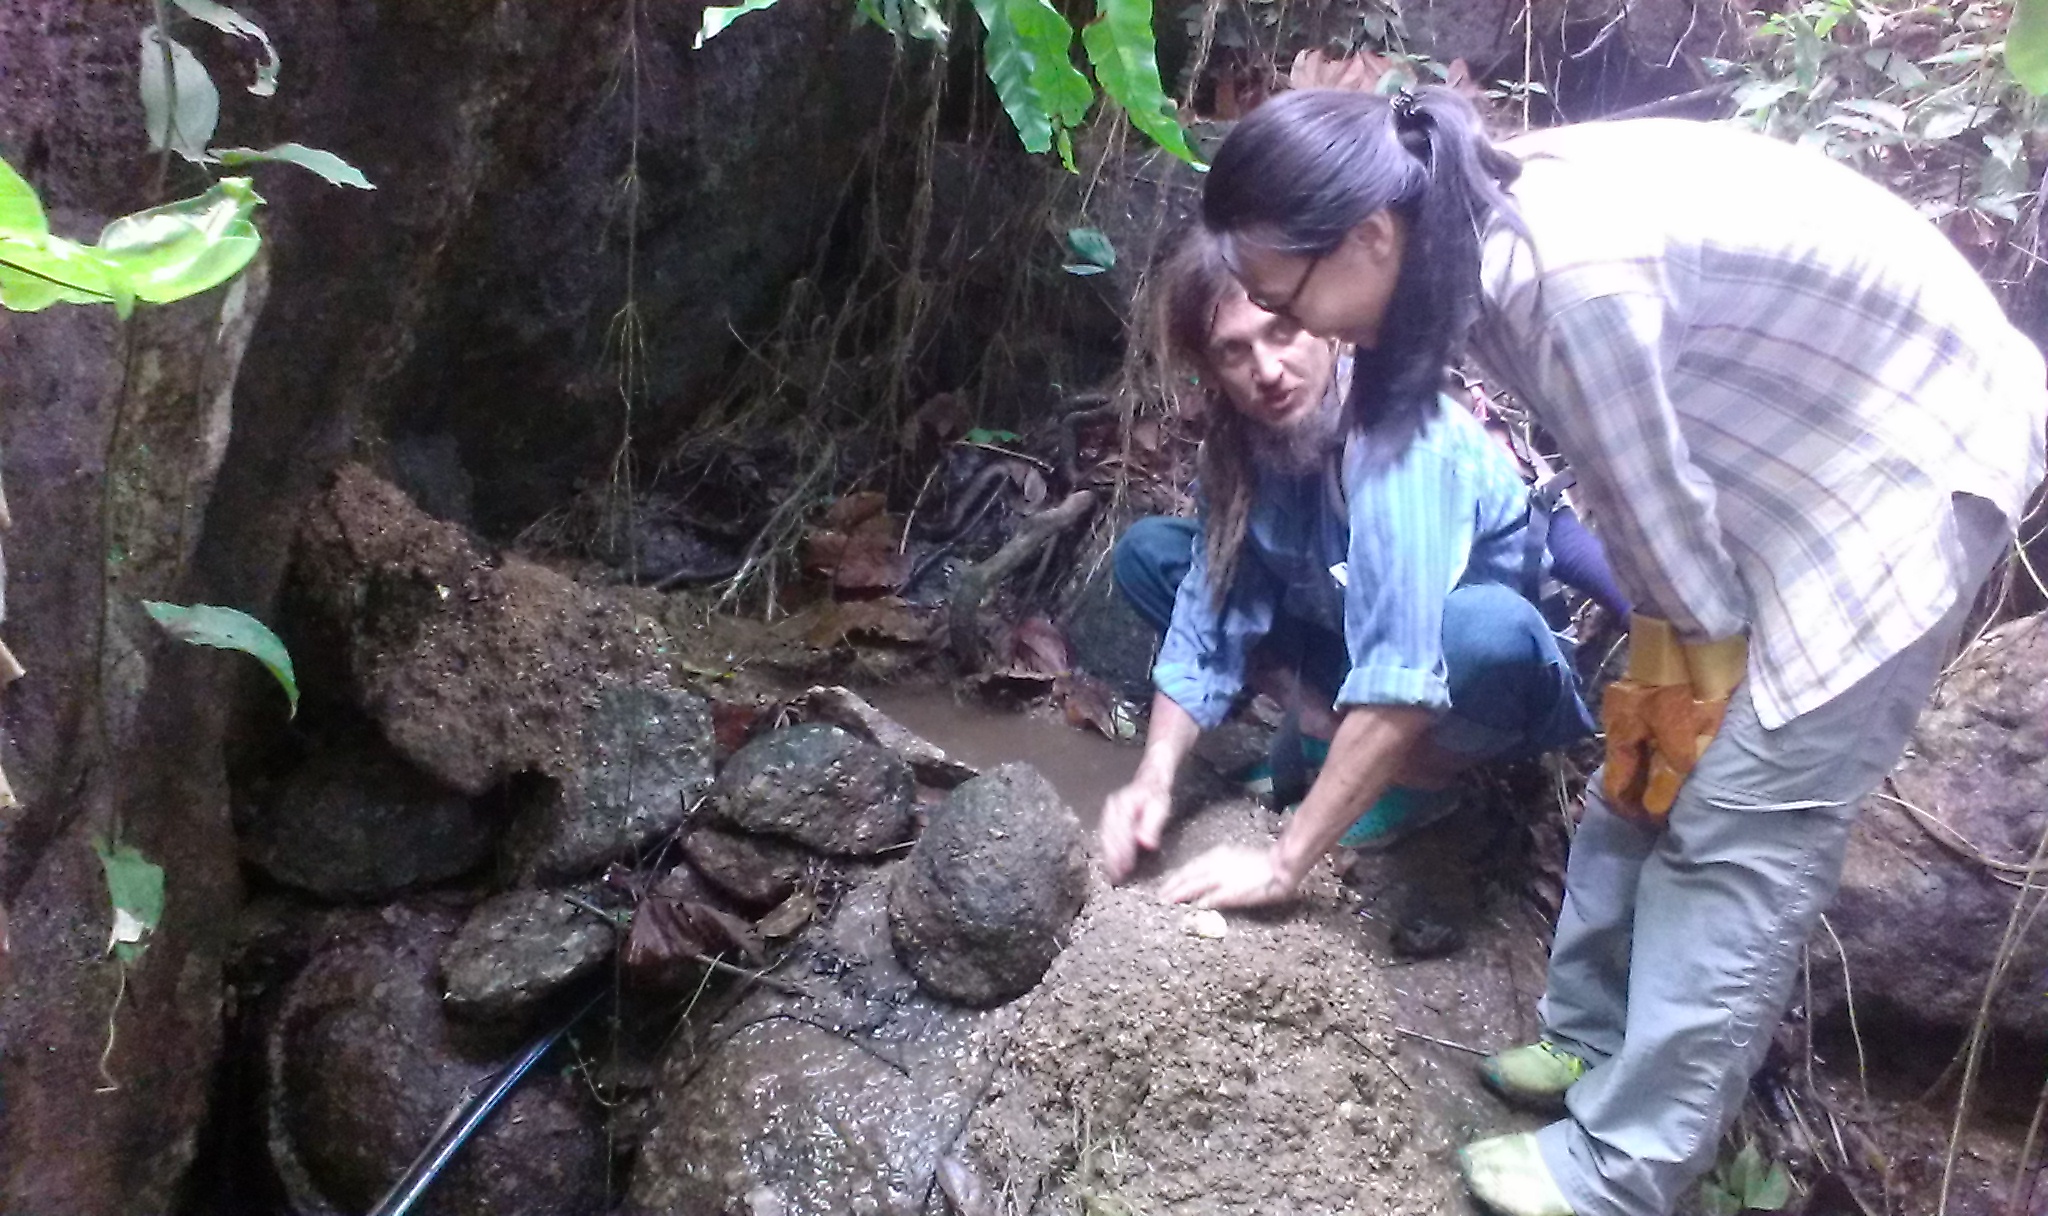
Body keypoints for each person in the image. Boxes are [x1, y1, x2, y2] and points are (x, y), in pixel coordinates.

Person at [1195, 88, 2048, 1216]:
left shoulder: (1563, 279)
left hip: (1895, 476)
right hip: (1768, 465)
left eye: (1283, 301)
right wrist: (1674, 670)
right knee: (1640, 773)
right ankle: (1587, 1040)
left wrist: (1701, 659)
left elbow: (1658, 519)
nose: (1293, 333)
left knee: (1732, 833)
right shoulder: (1454, 231)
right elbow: (1632, 485)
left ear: (1365, 237)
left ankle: (1621, 1169)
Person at [1097, 231, 1599, 905]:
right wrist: (1153, 778)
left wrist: (1281, 864)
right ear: (1211, 370)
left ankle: (1426, 778)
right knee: (1152, 554)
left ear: (1326, 326)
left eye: (1281, 332)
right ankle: (1325, 729)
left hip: (1475, 678)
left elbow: (1405, 670)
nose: (1267, 370)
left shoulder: (1401, 436)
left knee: (1482, 630)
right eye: (1234, 351)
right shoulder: (1241, 448)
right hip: (1353, 629)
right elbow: (1208, 616)